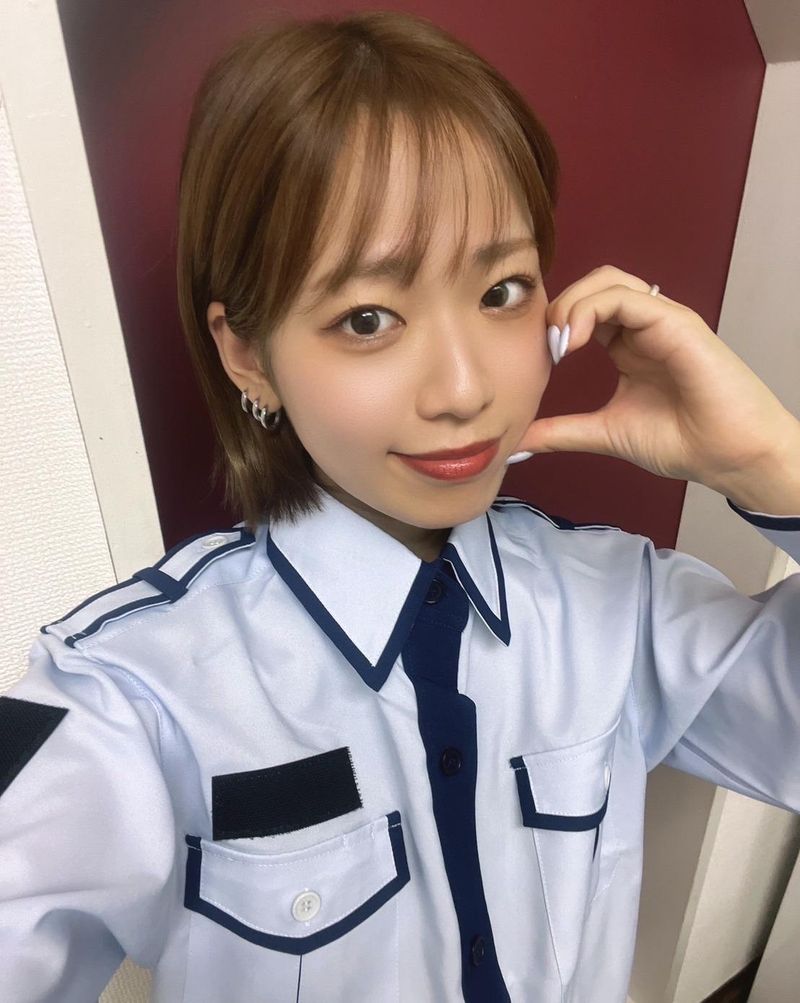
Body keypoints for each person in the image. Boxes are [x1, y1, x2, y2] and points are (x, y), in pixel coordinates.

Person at [1, 10, 799, 1003]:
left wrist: (775, 465)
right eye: (368, 317)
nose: (464, 387)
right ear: (248, 353)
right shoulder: (135, 692)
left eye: (502, 291)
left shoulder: (616, 602)